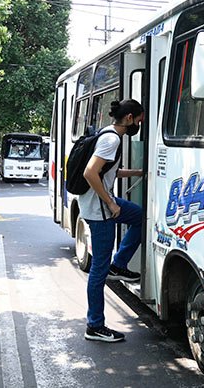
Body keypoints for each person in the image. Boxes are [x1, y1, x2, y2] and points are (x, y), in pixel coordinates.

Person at [81, 99, 145, 343]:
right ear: (129, 118)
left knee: (140, 216)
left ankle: (118, 264)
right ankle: (95, 326)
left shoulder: (107, 134)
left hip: (100, 205)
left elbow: (107, 171)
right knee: (98, 270)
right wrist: (110, 202)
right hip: (100, 212)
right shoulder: (112, 139)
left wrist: (137, 172)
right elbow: (90, 172)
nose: (139, 124)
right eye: (139, 119)